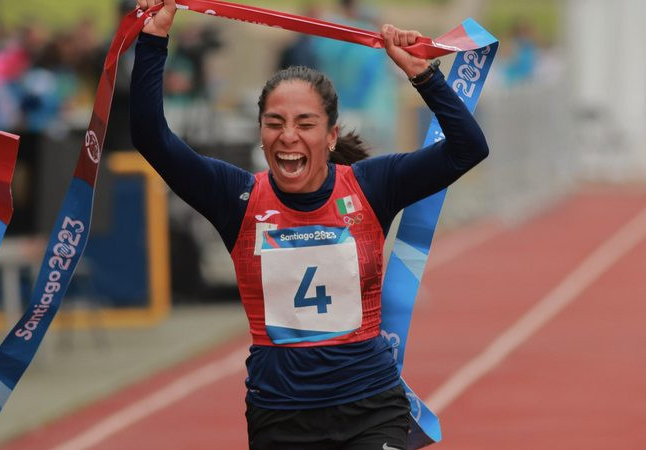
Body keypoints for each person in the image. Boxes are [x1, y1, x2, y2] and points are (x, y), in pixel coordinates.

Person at [130, 1, 489, 448]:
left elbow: (467, 148)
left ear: (331, 135)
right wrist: (154, 37)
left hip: (371, 408)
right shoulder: (236, 199)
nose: (288, 136)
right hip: (281, 418)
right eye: (274, 123)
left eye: (305, 123)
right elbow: (151, 138)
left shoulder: (371, 186)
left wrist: (424, 76)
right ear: (260, 133)